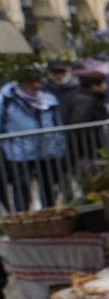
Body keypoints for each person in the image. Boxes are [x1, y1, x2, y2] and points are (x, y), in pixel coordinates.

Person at [0, 73, 67, 211]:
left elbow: (58, 124)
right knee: (21, 187)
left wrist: (60, 146)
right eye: (31, 82)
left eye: (38, 81)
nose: (36, 85)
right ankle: (23, 220)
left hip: (47, 150)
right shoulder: (6, 100)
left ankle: (50, 218)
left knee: (48, 187)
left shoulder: (49, 99)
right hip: (19, 153)